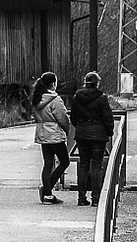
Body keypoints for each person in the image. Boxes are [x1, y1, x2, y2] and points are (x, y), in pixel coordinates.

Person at [69, 72, 116, 206]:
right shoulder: (101, 98)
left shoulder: (77, 97)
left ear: (85, 82)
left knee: (83, 165)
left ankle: (81, 198)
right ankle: (96, 199)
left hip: (82, 134)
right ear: (97, 83)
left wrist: (81, 127)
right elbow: (108, 117)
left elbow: (73, 117)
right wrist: (108, 132)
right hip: (98, 135)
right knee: (96, 166)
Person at [31, 72, 72, 204]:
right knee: (65, 162)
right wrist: (67, 130)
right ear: (53, 84)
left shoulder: (37, 98)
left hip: (42, 132)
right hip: (54, 134)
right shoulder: (55, 99)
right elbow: (63, 118)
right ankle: (46, 191)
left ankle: (47, 194)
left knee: (48, 163)